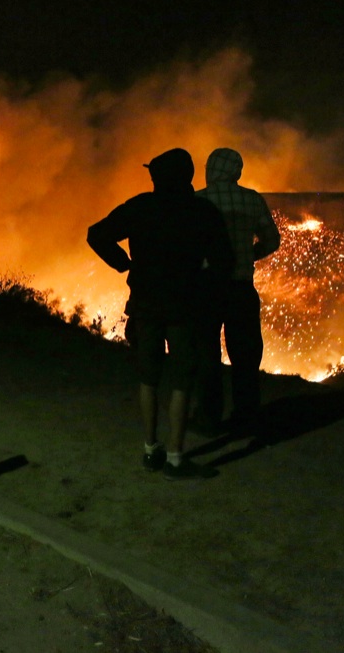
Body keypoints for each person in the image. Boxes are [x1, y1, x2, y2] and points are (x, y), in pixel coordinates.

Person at [87, 148, 233, 480]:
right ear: (188, 176)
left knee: (148, 378)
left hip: (146, 306)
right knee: (182, 380)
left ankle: (151, 450)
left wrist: (124, 263)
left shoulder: (140, 207)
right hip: (185, 308)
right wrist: (204, 281)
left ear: (157, 178)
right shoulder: (202, 212)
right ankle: (176, 459)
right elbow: (224, 261)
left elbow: (96, 234)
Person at [192, 147, 281, 435]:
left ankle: (209, 418)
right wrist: (249, 255)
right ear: (236, 171)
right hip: (241, 288)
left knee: (206, 355)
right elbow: (272, 239)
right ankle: (246, 417)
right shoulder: (252, 200)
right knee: (245, 356)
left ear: (211, 169)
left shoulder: (197, 201)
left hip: (206, 289)